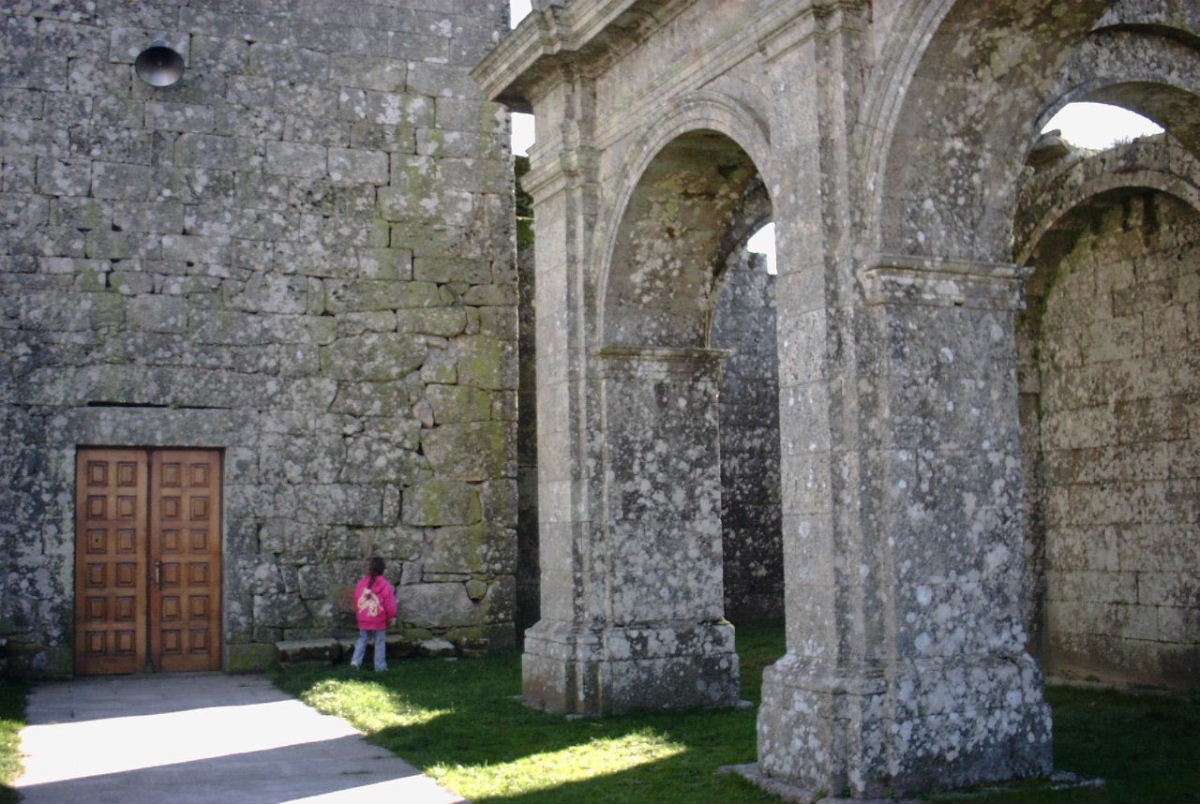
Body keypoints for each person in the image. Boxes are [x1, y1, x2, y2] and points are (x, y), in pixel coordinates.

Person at [351, 556, 398, 671]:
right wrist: (392, 616)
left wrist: (359, 613)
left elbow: (357, 599)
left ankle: (355, 661)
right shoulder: (385, 585)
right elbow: (390, 603)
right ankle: (380, 666)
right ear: (383, 569)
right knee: (380, 641)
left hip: (364, 617)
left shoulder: (362, 584)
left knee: (362, 639)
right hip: (379, 618)